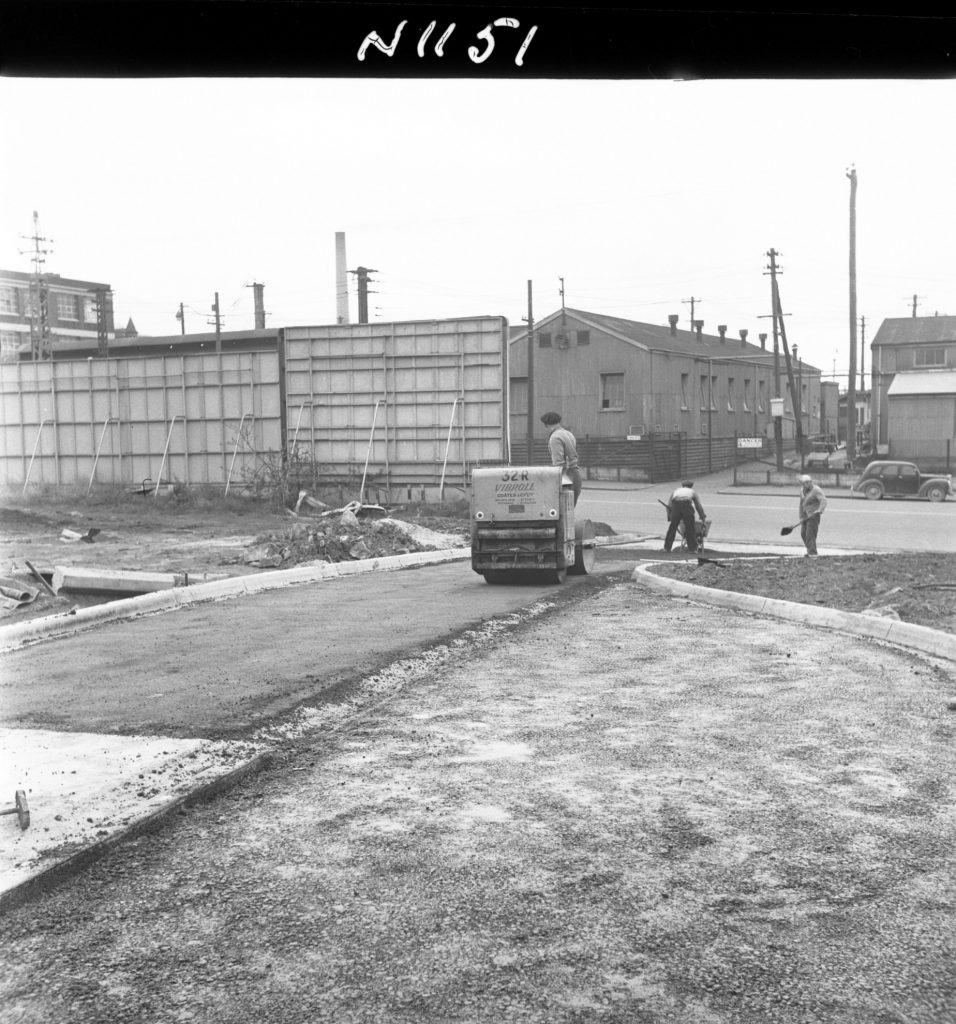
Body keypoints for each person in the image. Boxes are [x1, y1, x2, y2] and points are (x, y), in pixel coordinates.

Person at [540, 411, 582, 506]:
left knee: (561, 511)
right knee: (570, 510)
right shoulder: (569, 434)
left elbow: (558, 463)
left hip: (565, 476)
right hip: (576, 474)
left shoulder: (555, 437)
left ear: (546, 425)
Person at [663, 480, 706, 553]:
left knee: (672, 528)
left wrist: (670, 517)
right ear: (691, 486)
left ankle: (667, 548)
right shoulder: (692, 491)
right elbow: (698, 505)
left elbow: (669, 505)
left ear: (682, 486)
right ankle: (692, 549)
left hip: (676, 506)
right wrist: (702, 516)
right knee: (690, 527)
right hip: (686, 506)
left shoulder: (676, 491)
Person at [798, 474, 827, 556]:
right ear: (802, 484)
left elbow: (823, 500)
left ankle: (812, 553)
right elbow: (801, 504)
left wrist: (820, 510)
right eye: (805, 483)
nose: (808, 484)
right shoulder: (802, 491)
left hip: (813, 516)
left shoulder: (816, 490)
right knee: (803, 534)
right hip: (805, 516)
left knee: (810, 535)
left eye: (809, 482)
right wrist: (801, 517)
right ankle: (810, 550)